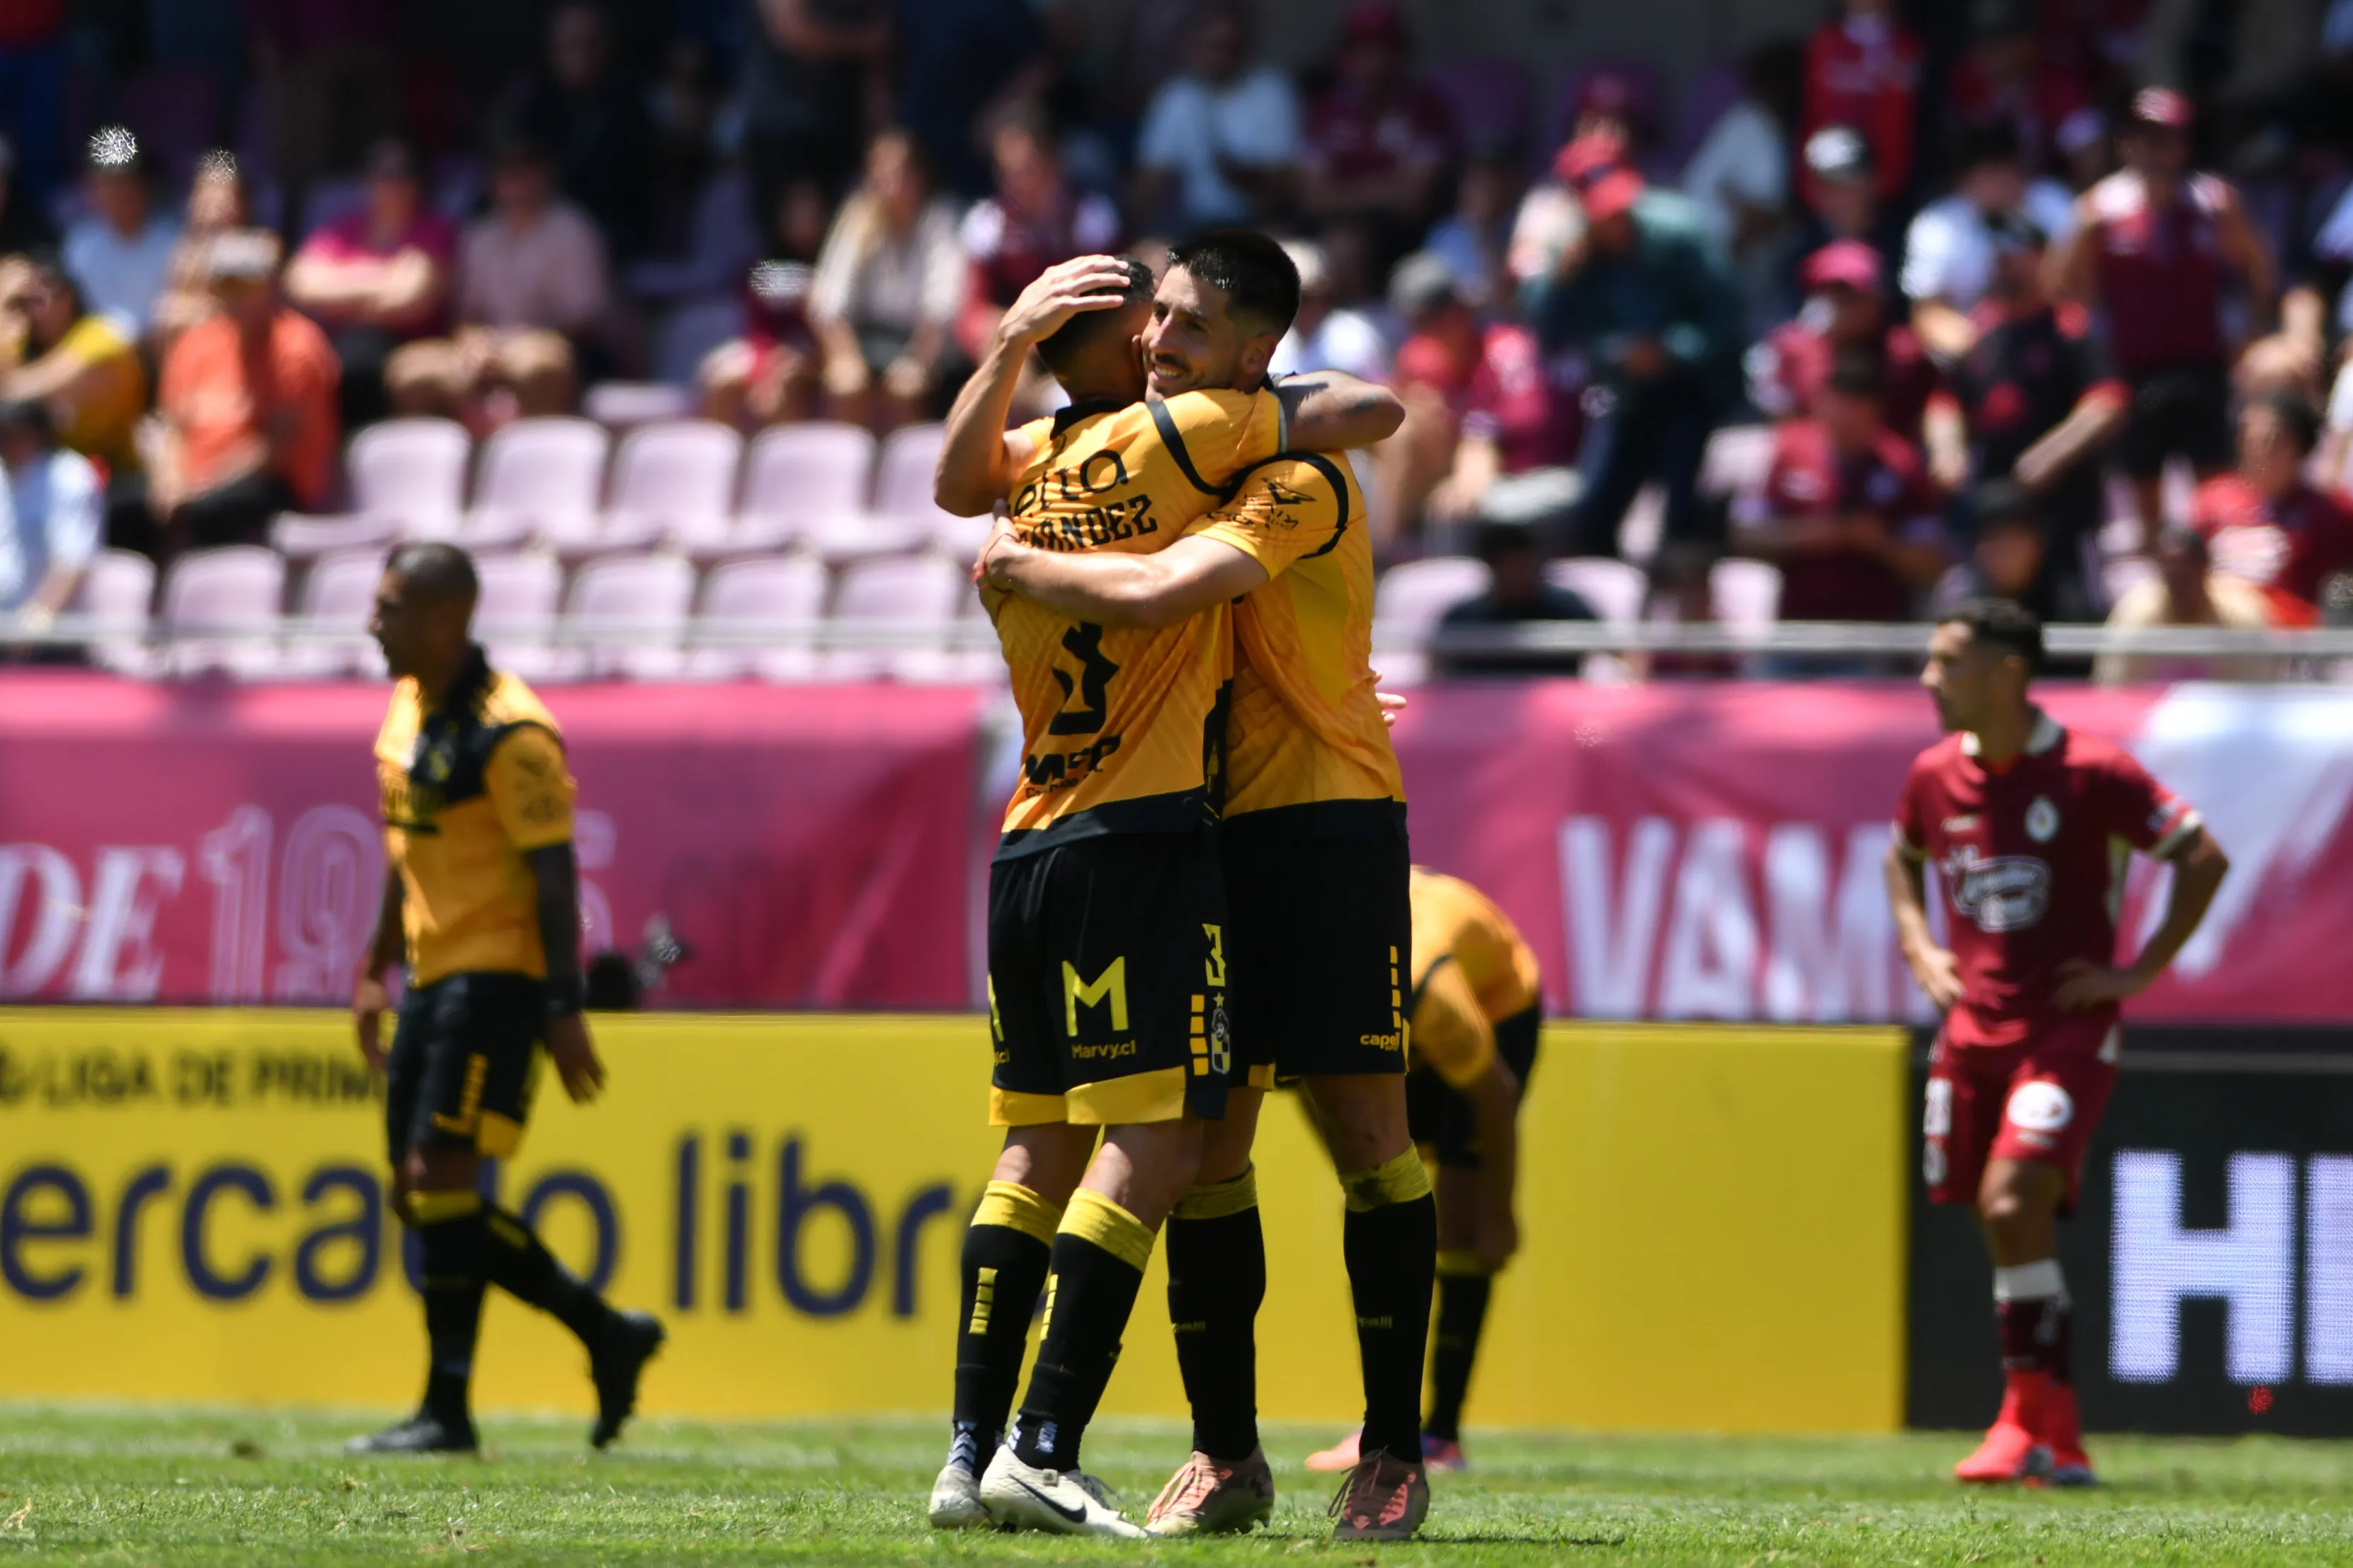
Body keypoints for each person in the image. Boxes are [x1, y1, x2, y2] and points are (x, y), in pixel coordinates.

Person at [929, 245, 1406, 1539]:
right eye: (1147, 326)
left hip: (1207, 823)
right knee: (1191, 1143)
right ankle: (1156, 1449)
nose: (1152, 344)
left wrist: (1022, 564)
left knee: (1335, 1135)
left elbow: (964, 492)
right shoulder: (1172, 443)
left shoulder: (1171, 464)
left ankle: (1389, 1450)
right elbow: (1368, 410)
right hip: (1167, 834)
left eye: (1179, 325)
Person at [1888, 597, 2228, 1487]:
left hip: (2064, 1030)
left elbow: (2201, 856)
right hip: (1969, 1035)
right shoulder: (1932, 773)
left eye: (1946, 661)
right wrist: (1918, 943)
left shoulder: (2092, 770)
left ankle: (2018, 1423)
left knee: (2009, 1203)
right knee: (2006, 1220)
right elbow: (1901, 856)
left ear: (2005, 671)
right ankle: (2054, 1433)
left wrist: (2137, 969)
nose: (1929, 679)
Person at [348, 541, 666, 1455]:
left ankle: (447, 1408)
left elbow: (556, 876)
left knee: (436, 1181)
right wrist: (375, 963)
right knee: (420, 1199)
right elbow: (404, 846)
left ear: (448, 618)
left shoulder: (513, 729)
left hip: (500, 979)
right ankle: (606, 1331)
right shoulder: (405, 708)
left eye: (391, 605)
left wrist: (562, 1007)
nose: (374, 621)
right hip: (429, 975)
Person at [1306, 866, 1538, 1473]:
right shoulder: (1304, 988)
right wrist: (1353, 1166)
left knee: (1458, 1222)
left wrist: (1499, 1213)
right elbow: (1315, 1091)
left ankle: (1442, 1433)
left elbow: (1494, 1095)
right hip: (1403, 1014)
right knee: (1377, 1205)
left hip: (1500, 1007)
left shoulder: (1431, 993)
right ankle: (1383, 1420)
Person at [2050, 88, 2275, 548]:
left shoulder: (2212, 203)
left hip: (2202, 363)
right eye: (2145, 139)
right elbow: (2059, 281)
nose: (2155, 151)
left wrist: (2250, 332)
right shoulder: (2100, 210)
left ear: (2183, 145)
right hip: (2135, 368)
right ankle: (2161, 593)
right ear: (2125, 144)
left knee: (2213, 489)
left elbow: (2255, 265)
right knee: (2143, 484)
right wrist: (2092, 339)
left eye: (2166, 139)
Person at [1530, 161, 1745, 558]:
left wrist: (1671, 351)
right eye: (1604, 216)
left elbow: (1727, 323)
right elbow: (1551, 334)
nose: (1616, 223)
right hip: (1626, 393)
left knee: (1681, 518)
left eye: (1621, 212)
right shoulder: (1578, 254)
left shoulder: (1680, 234)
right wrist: (1559, 281)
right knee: (1593, 520)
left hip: (1695, 391)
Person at [1922, 211, 2124, 588]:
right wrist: (1947, 451)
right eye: (1998, 256)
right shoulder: (1979, 329)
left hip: (2059, 505)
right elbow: (1946, 403)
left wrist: (2051, 454)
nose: (2004, 266)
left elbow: (2107, 402)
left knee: (2068, 607)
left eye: (2015, 256)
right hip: (1994, 502)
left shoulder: (2068, 327)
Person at [386, 132, 607, 423]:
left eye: (526, 169)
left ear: (545, 175)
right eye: (507, 171)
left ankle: (531, 460)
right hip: (487, 349)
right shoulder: (479, 235)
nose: (517, 180)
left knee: (535, 366)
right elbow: (466, 315)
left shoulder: (572, 230)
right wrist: (476, 345)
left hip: (543, 345)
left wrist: (514, 345)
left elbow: (584, 322)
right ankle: (445, 464)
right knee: (410, 371)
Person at [1733, 355, 1950, 649]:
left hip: (1875, 633)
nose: (1847, 418)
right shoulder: (1788, 451)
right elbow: (1745, 535)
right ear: (1821, 402)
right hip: (1796, 630)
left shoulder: (1902, 463)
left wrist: (1878, 543)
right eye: (1840, 405)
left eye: (1858, 408)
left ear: (1876, 411)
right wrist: (1812, 534)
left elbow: (1932, 564)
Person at [148, 231, 340, 550]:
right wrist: (168, 483)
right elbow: (172, 427)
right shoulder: (197, 342)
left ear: (270, 287)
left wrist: (199, 486)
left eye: (246, 286)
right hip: (194, 483)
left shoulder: (297, 348)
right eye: (227, 285)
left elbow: (275, 446)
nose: (235, 296)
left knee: (210, 512)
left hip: (272, 484)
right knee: (125, 509)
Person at [285, 139, 460, 435]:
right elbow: (299, 285)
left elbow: (410, 299)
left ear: (418, 183)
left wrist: (338, 288)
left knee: (358, 363)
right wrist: (385, 276)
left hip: (404, 342)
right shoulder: (341, 228)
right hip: (336, 343)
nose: (390, 185)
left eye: (401, 176)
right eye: (381, 175)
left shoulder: (433, 228)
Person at [807, 128, 967, 431]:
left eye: (898, 173)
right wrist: (844, 359)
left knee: (904, 390)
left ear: (918, 178)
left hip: (926, 347)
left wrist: (918, 362)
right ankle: (846, 472)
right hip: (869, 341)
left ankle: (916, 473)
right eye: (879, 172)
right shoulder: (858, 217)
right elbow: (828, 299)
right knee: (846, 387)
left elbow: (942, 304)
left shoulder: (940, 220)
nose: (887, 182)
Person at [955, 113, 1121, 390]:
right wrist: (1019, 331)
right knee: (1002, 361)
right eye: (1007, 171)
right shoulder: (988, 224)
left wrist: (1054, 335)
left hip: (1080, 345)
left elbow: (1116, 302)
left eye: (1027, 169)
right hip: (1018, 344)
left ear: (1054, 164)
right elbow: (972, 311)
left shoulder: (1092, 218)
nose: (1016, 182)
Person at [1900, 122, 2075, 357]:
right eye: (1992, 171)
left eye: (2009, 167)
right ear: (1966, 178)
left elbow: (2078, 288)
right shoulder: (1937, 225)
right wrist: (1980, 351)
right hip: (1977, 348)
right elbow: (1927, 312)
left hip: (2052, 337)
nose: (2004, 179)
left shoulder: (2053, 201)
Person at [1299, 2, 1454, 263]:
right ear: (1346, 56)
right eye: (1365, 49)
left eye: (1387, 48)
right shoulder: (1325, 110)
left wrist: (1344, 189)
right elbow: (1314, 198)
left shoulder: (1427, 110)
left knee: (1346, 246)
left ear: (1402, 54)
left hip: (1408, 237)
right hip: (1334, 229)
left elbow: (1413, 201)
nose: (1377, 61)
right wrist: (1384, 188)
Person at [1131, 0, 1301, 235]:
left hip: (1255, 225)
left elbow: (1283, 181)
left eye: (1229, 47)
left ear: (1246, 47)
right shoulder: (1177, 95)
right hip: (1191, 226)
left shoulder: (1271, 91)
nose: (1221, 57)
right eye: (1213, 46)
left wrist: (1248, 180)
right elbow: (1149, 181)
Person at [2189, 391, 2353, 626]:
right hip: (2221, 632)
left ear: (2299, 447)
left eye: (2270, 441)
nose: (2256, 450)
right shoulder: (2212, 499)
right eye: (2249, 439)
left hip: (2287, 635)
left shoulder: (2328, 510)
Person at [1749, 240, 1937, 447]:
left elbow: (1938, 402)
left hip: (1888, 467)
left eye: (1851, 296)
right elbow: (1780, 420)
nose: (1841, 305)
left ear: (1878, 299)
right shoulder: (1792, 350)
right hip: (1812, 464)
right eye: (1832, 294)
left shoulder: (1905, 352)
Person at [508, 1, 654, 261]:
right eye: (573, 44)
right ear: (553, 50)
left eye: (593, 42)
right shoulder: (535, 106)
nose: (584, 54)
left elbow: (626, 191)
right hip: (538, 230)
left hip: (609, 239)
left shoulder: (629, 107)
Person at [0, 252, 146, 485]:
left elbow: (22, 388)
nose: (31, 315)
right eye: (21, 306)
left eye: (37, 301)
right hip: (52, 482)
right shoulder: (27, 351)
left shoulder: (100, 334)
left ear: (66, 297)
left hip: (122, 478)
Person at [698, 181, 833, 431]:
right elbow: (757, 325)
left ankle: (786, 462)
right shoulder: (765, 266)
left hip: (816, 356)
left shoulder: (835, 264)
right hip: (770, 350)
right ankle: (723, 461)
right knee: (721, 379)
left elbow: (828, 327)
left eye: (811, 215)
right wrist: (764, 371)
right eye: (796, 214)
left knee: (784, 384)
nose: (803, 223)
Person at [1927, 482, 2104, 666]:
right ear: (1977, 548)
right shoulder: (1960, 600)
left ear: (2038, 543)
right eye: (1994, 539)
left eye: (2016, 538)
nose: (2006, 552)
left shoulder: (2071, 604)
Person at [2095, 524, 2281, 685]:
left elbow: (2261, 692)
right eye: (2172, 576)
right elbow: (2115, 691)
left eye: (2186, 575)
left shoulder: (2242, 618)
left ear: (2205, 568)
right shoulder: (2135, 619)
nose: (2180, 586)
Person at [1431, 519, 1597, 677]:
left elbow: (1615, 653)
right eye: (1511, 567)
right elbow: (1436, 667)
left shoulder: (1569, 610)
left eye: (1526, 564)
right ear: (1493, 568)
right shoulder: (1462, 618)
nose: (1521, 575)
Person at [1800, 0, 1922, 211]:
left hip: (1892, 194)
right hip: (1826, 181)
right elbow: (1813, 114)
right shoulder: (1824, 43)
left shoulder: (1908, 46)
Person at [61, 131, 180, 343]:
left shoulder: (173, 240)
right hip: (96, 350)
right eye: (108, 182)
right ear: (92, 189)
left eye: (125, 180)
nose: (119, 192)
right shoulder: (80, 242)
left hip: (153, 349)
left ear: (143, 184)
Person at [0, 399, 102, 637]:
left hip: (51, 633)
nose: (7, 444)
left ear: (39, 435)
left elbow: (72, 561)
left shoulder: (70, 477)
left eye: (15, 435)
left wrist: (34, 623)